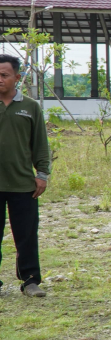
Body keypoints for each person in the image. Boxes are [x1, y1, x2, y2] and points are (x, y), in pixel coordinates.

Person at [0, 54, 50, 298]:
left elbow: (40, 143)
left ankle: (30, 281)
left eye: (4, 75)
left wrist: (41, 174)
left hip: (23, 184)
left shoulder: (30, 107)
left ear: (17, 78)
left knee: (27, 235)